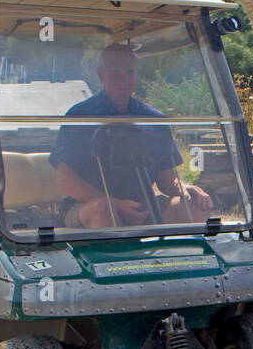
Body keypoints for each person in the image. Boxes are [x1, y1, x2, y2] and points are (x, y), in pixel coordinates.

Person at [49, 43, 212, 228]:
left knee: (195, 206)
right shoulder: (80, 117)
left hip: (140, 205)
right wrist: (115, 204)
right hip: (88, 205)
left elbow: (167, 180)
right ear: (101, 74)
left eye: (129, 73)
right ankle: (114, 256)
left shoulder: (153, 120)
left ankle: (174, 255)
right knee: (105, 209)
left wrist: (183, 187)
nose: (123, 80)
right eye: (115, 74)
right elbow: (65, 181)